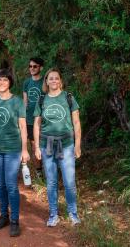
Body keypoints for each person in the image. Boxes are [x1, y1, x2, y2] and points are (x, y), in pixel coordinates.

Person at [0, 69, 30, 237]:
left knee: (11, 185)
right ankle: (4, 216)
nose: (1, 83)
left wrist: (25, 149)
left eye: (4, 80)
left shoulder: (17, 102)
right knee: (0, 184)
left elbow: (23, 126)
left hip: (13, 149)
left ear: (10, 82)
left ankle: (15, 220)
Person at [33, 68, 82, 227]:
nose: (53, 81)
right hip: (46, 145)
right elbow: (36, 124)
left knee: (69, 182)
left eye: (56, 78)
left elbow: (76, 123)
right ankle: (53, 214)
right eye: (50, 79)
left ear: (60, 81)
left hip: (67, 145)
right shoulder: (42, 100)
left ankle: (73, 213)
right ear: (46, 82)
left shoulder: (68, 98)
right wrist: (36, 148)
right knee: (52, 182)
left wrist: (77, 145)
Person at [23, 58, 44, 178]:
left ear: (40, 68)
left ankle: (50, 171)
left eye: (35, 66)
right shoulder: (26, 83)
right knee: (34, 145)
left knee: (45, 145)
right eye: (30, 66)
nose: (32, 68)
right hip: (30, 119)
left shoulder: (45, 82)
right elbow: (25, 102)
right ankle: (39, 172)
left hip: (44, 119)